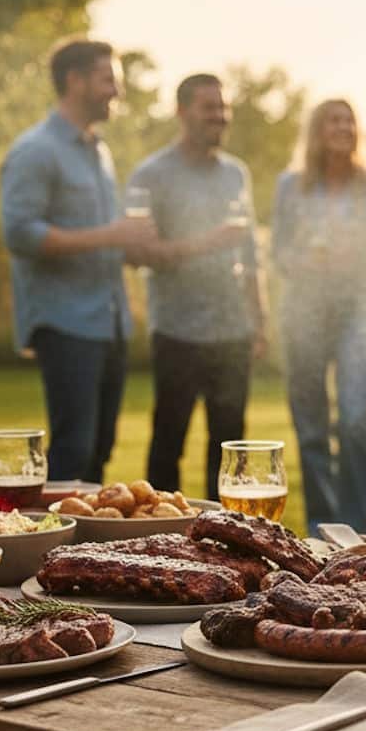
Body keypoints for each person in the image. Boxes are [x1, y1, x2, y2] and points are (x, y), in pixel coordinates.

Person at [0, 38, 154, 483]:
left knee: (99, 449)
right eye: (108, 80)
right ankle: (53, 530)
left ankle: (87, 531)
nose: (117, 91)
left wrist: (131, 246)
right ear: (75, 81)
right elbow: (20, 234)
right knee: (74, 450)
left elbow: (100, 237)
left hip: (110, 323)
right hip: (66, 323)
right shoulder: (36, 150)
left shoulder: (99, 151)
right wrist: (112, 235)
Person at [125, 74, 268, 500]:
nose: (219, 116)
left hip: (233, 331)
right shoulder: (151, 175)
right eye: (209, 107)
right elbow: (137, 253)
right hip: (177, 331)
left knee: (230, 450)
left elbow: (250, 254)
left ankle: (225, 532)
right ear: (182, 111)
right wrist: (208, 242)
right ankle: (159, 531)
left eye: (223, 107)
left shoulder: (236, 174)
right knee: (168, 444)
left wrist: (259, 321)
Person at [271, 99, 366, 535]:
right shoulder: (291, 186)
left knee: (355, 420)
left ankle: (359, 528)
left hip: (355, 308)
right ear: (317, 131)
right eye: (333, 121)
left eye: (349, 120)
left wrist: (360, 250)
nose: (343, 127)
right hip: (303, 309)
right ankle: (323, 529)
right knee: (311, 428)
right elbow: (278, 252)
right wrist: (301, 260)